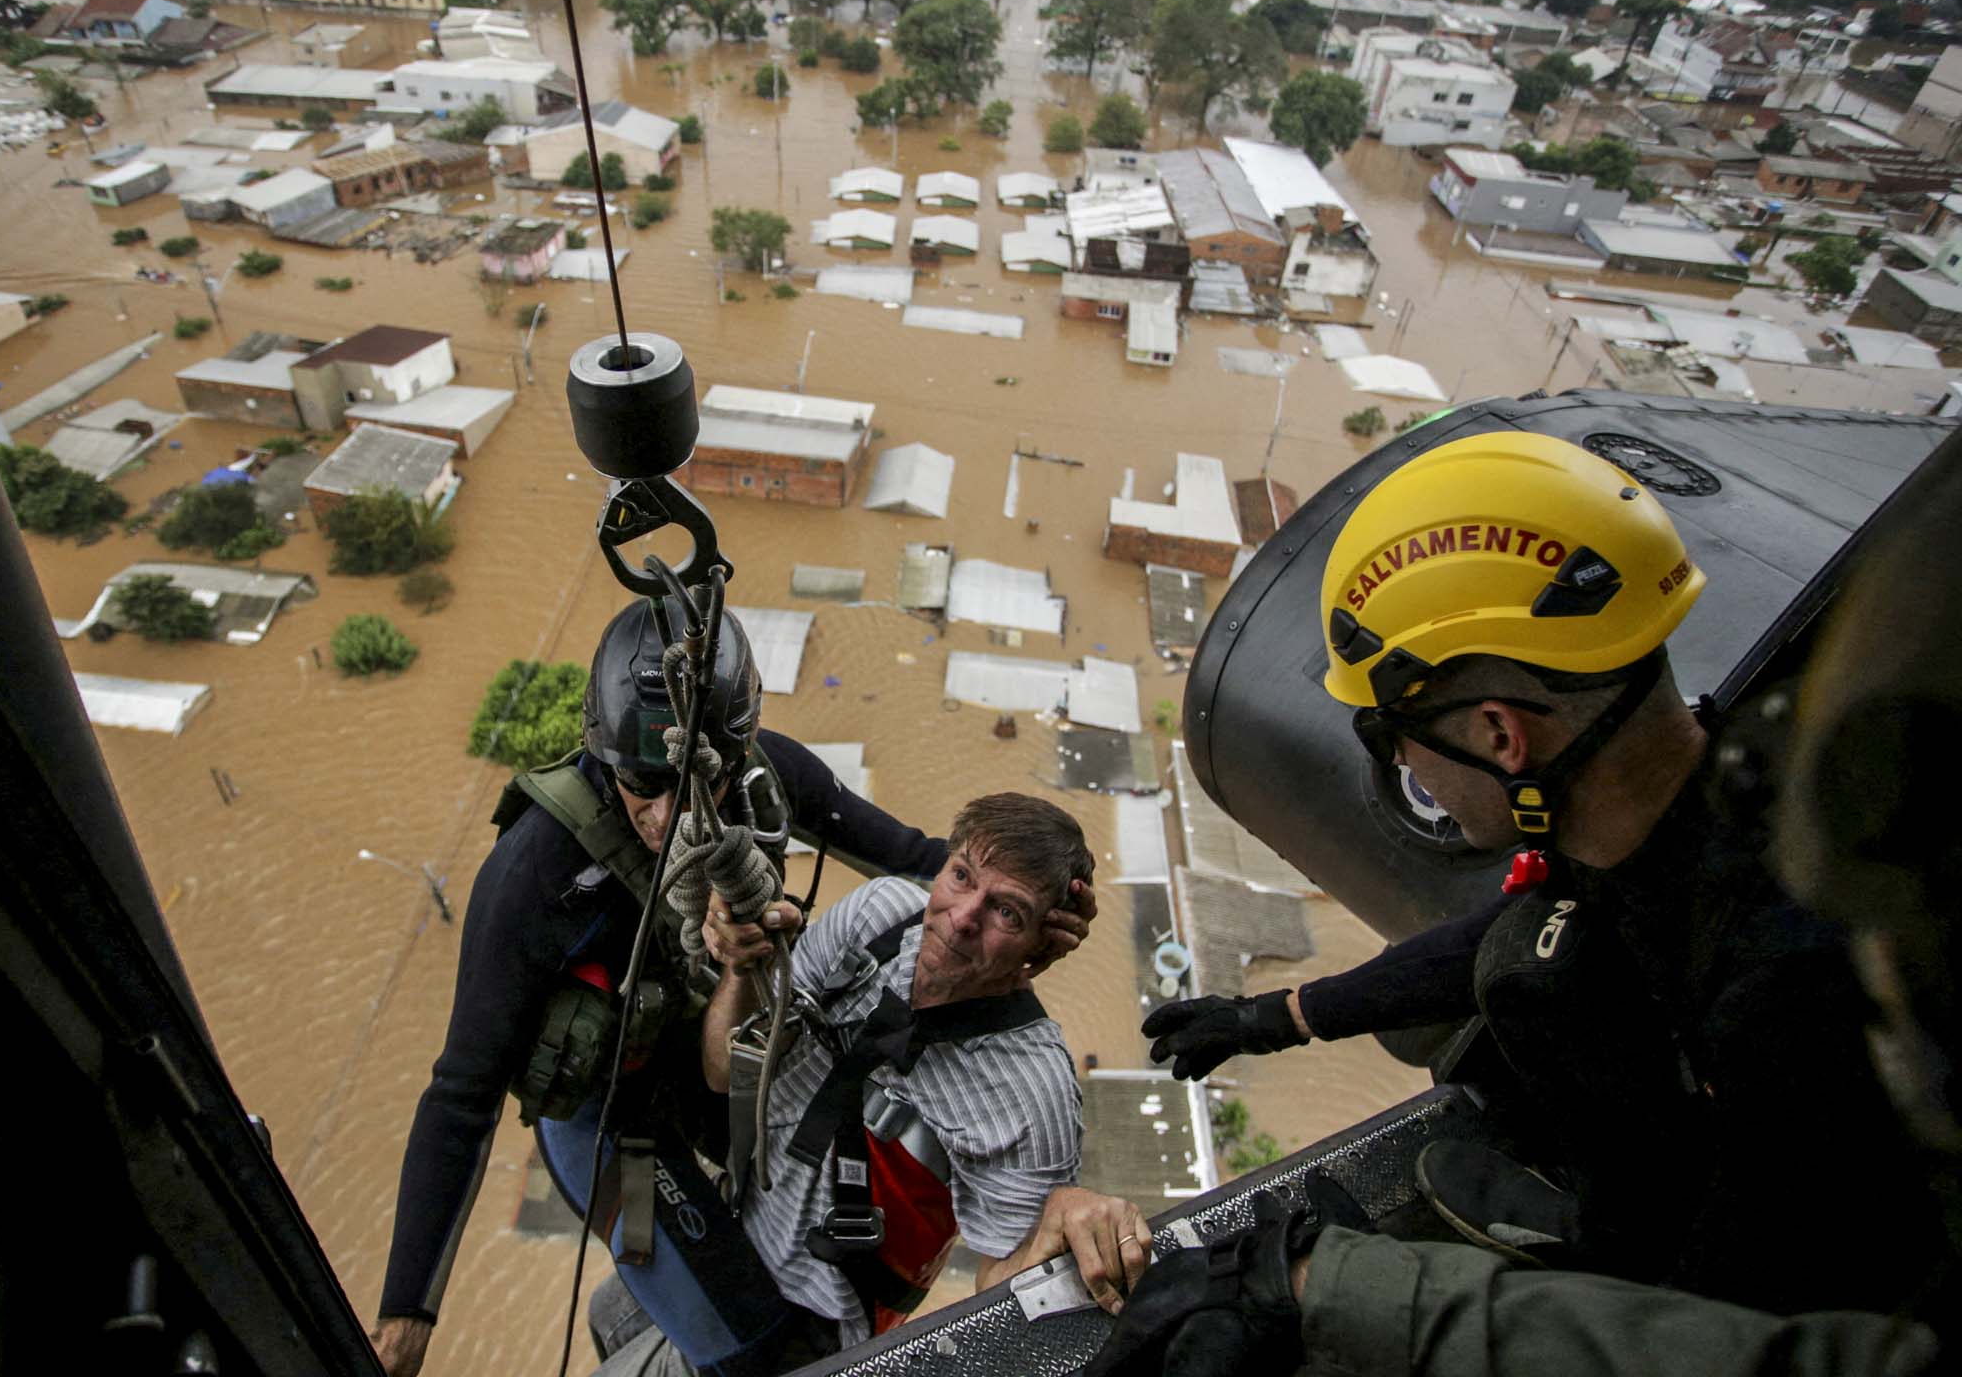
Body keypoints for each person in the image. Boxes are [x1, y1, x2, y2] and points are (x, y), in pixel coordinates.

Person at [1088, 428, 1962, 1377]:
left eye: (1393, 739)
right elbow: (1515, 928)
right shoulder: (1706, 802)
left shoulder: (1789, 1000)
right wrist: (1272, 1016)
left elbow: (1710, 1333)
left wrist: (1335, 1304)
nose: (1405, 769)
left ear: (1501, 736)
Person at [371, 601, 1085, 1377]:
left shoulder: (764, 782)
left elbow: (928, 865)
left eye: (699, 774)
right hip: (610, 1117)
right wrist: (409, 1314)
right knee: (766, 1356)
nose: (673, 809)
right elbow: (460, 1095)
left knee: (734, 1292)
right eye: (647, 778)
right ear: (601, 752)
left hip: (718, 1081)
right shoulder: (535, 875)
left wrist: (1047, 905)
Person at [586, 793, 1153, 1377]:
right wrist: (743, 965)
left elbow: (1002, 1295)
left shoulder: (1033, 1093)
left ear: (1043, 944)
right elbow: (725, 1072)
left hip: (807, 1319)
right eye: (961, 877)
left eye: (1007, 912)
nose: (963, 917)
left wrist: (1058, 1219)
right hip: (736, 1216)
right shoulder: (878, 916)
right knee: (608, 1313)